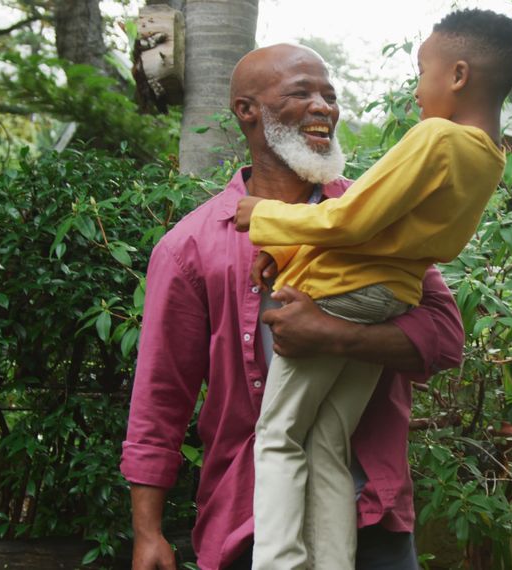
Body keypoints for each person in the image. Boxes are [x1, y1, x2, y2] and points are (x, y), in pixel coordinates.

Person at [121, 43, 466, 570]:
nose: (324, 107)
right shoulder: (189, 248)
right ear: (247, 110)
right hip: (248, 523)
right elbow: (160, 399)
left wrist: (332, 334)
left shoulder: (377, 213)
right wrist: (147, 532)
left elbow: (445, 338)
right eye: (301, 93)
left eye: (329, 95)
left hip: (371, 517)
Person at [233, 9, 512, 570]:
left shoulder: (438, 136)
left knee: (277, 436)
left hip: (339, 290)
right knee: (326, 442)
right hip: (388, 300)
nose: (417, 89)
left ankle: (279, 563)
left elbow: (351, 222)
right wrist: (288, 249)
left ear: (458, 76)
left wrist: (262, 216)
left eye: (423, 72)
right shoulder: (489, 158)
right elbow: (392, 234)